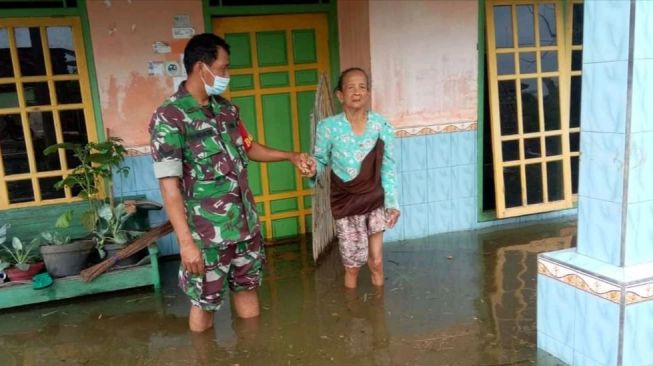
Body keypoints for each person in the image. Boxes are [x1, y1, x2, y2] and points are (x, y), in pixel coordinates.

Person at [149, 33, 315, 333]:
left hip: (245, 227)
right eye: (223, 68)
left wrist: (289, 156)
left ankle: (251, 352)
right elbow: (168, 186)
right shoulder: (170, 117)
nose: (227, 74)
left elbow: (249, 147)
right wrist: (186, 245)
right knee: (205, 302)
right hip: (206, 236)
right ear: (202, 67)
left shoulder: (226, 110)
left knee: (248, 290)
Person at [308, 67, 400, 289]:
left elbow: (387, 166)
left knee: (376, 262)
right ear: (340, 95)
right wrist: (312, 169)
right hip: (346, 202)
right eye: (350, 87)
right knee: (352, 266)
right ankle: (351, 313)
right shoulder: (328, 127)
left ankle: (378, 314)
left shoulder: (381, 125)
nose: (357, 92)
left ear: (368, 93)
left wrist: (392, 203)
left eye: (362, 87)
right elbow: (320, 160)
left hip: (374, 200)